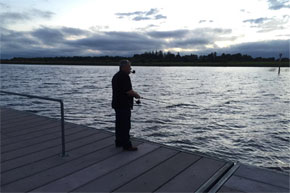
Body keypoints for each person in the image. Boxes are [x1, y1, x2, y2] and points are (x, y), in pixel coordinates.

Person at [112, 60, 141, 151]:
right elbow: (129, 91)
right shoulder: (125, 77)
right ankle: (127, 145)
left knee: (119, 125)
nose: (130, 69)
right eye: (129, 67)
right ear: (124, 67)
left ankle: (119, 142)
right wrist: (137, 95)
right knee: (125, 125)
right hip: (123, 105)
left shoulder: (116, 76)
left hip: (117, 103)